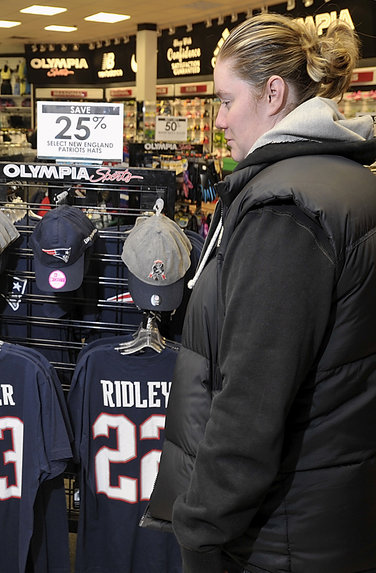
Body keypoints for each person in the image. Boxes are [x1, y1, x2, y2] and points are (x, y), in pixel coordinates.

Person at [139, 13, 376, 573]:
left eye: (225, 101)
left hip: (278, 532)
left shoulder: (284, 210)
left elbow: (252, 398)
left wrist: (199, 527)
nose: (217, 120)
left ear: (273, 93)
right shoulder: (347, 182)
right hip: (331, 511)